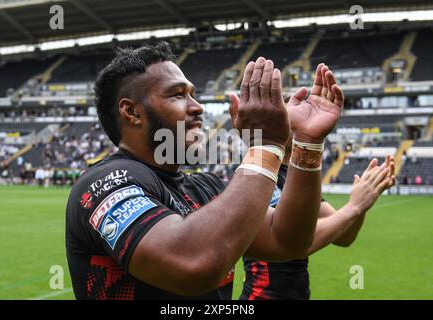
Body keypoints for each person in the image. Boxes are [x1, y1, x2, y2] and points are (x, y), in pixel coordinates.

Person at [65, 42, 344, 300]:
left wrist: (307, 143)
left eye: (193, 95)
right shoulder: (105, 184)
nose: (197, 108)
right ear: (132, 112)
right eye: (177, 95)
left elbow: (289, 241)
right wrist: (266, 146)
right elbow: (194, 265)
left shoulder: (206, 186)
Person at [240, 135, 395, 300]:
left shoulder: (296, 175)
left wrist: (362, 203)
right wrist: (354, 207)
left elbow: (344, 237)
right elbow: (292, 244)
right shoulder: (257, 172)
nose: (304, 129)